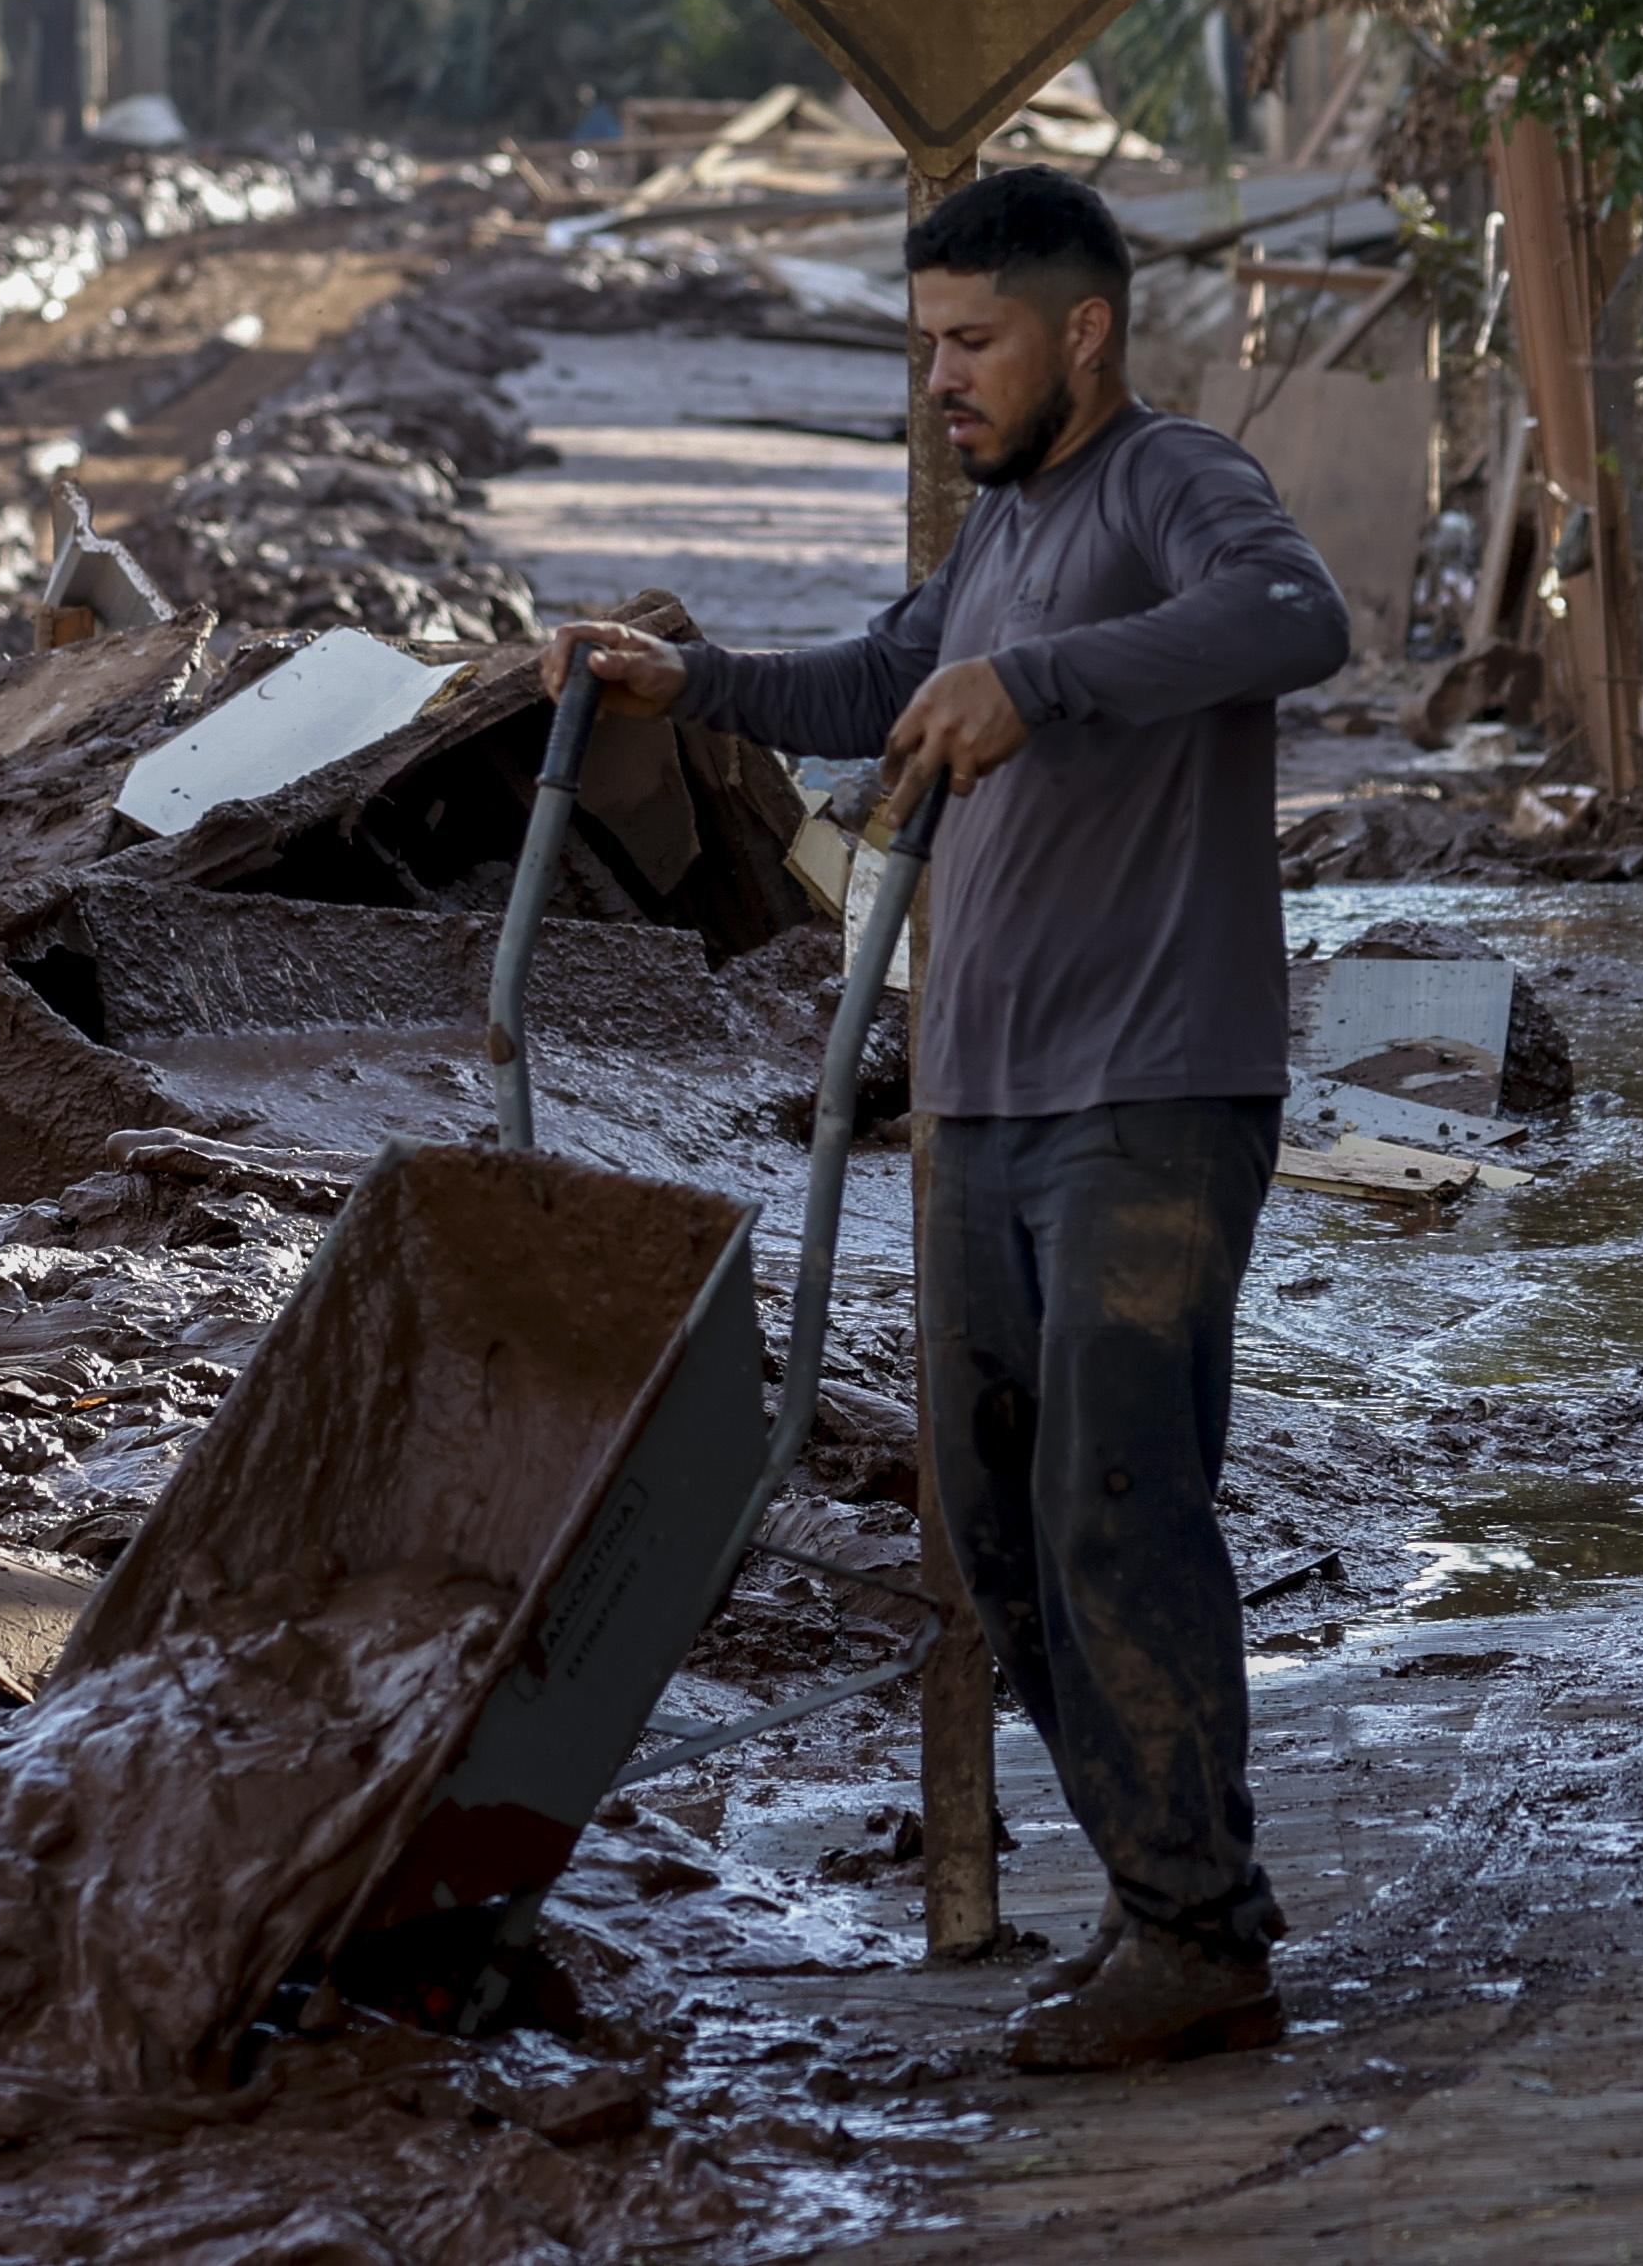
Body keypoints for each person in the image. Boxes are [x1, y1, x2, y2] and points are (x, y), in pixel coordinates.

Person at [537, 164, 1349, 2073]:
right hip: (977, 1094)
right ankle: (1169, 1886)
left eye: (972, 341)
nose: (940, 381)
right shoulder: (999, 532)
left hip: (1149, 1085)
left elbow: (1293, 614)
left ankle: (1195, 1928)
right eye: (923, 345)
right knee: (994, 1527)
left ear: (1084, 330)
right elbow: (885, 678)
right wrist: (690, 680)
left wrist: (1038, 683)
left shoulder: (1166, 480)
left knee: (1113, 1496)